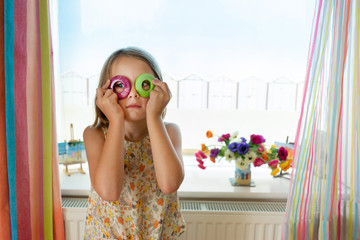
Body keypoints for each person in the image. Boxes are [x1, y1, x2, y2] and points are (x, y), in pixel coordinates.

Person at [83, 47, 186, 239]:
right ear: (107, 91)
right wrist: (116, 120)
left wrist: (154, 117)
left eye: (143, 84)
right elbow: (109, 191)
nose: (132, 94)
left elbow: (169, 184)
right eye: (121, 85)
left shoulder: (170, 132)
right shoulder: (95, 135)